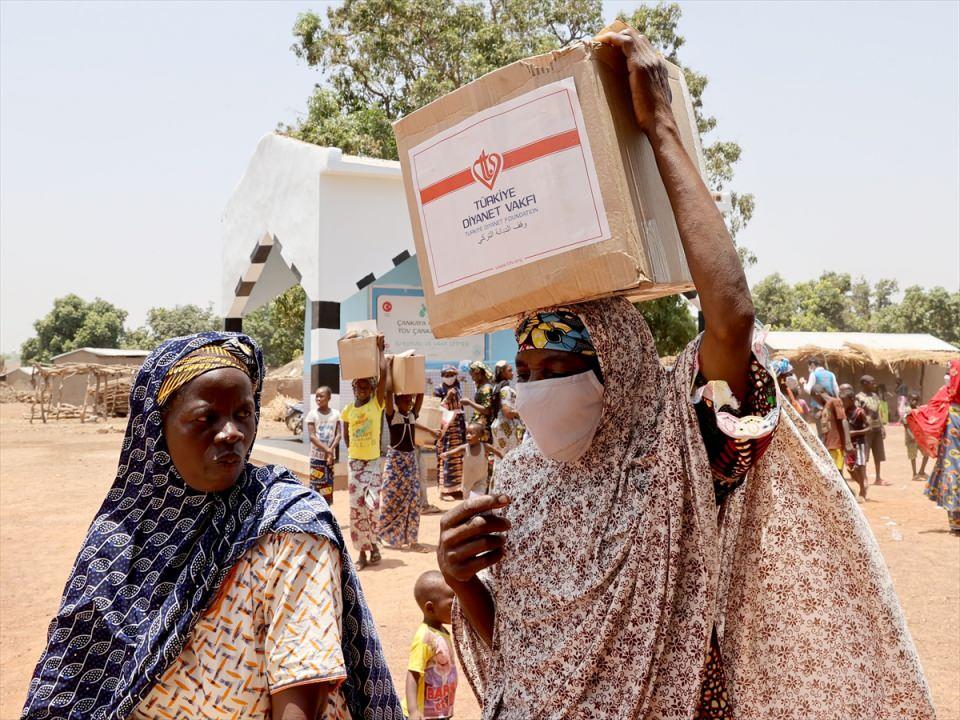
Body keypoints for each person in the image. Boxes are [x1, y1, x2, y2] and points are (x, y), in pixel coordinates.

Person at [436, 29, 933, 720]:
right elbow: (528, 666)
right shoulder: (521, 482)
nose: (536, 385)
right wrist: (463, 583)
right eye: (525, 368)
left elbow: (730, 321)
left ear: (621, 365)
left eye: (558, 364)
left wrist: (659, 126)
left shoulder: (681, 450)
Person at [20, 332, 402, 720]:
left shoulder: (287, 527)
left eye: (244, 414)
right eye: (207, 418)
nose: (232, 433)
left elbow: (302, 694)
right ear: (156, 429)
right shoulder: (119, 539)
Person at [341, 340, 388, 570]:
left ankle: (375, 545)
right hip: (355, 464)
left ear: (371, 390)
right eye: (359, 387)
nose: (362, 391)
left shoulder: (376, 405)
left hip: (372, 463)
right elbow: (346, 437)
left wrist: (380, 350)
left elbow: (385, 374)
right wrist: (354, 453)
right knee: (356, 509)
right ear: (353, 389)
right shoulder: (348, 410)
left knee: (372, 507)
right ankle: (362, 553)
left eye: (366, 387)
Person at [379, 375, 438, 550]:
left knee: (413, 499)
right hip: (396, 460)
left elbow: (419, 395)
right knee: (392, 498)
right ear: (397, 401)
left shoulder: (412, 415)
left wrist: (417, 379)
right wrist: (390, 374)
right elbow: (388, 394)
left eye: (410, 400)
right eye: (404, 399)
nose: (409, 402)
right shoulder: (392, 415)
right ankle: (388, 535)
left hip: (410, 460)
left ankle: (413, 540)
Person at [906, 359, 960, 534]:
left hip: (952, 456)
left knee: (952, 477)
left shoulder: (946, 396)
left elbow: (929, 415)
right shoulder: (945, 395)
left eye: (950, 373)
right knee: (952, 478)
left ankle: (956, 523)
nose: (947, 377)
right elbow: (931, 410)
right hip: (951, 452)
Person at [404, 571, 458, 720]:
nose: (456, 607)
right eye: (451, 603)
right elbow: (413, 673)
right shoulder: (424, 637)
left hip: (439, 709)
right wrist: (414, 711)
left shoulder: (441, 631)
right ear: (430, 608)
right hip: (424, 714)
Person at [439, 422, 503, 498]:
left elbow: (498, 453)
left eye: (471, 433)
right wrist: (446, 454)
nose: (468, 436)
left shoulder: (485, 447)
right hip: (467, 482)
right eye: (467, 433)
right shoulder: (465, 448)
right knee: (467, 502)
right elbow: (454, 451)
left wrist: (505, 460)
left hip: (481, 480)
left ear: (480, 435)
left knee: (476, 499)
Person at [435, 365, 466, 500]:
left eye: (452, 374)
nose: (449, 378)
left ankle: (457, 488)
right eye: (446, 375)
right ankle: (445, 490)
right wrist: (447, 398)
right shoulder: (438, 389)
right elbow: (435, 408)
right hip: (446, 429)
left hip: (458, 428)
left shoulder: (458, 388)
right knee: (446, 455)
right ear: (442, 376)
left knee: (459, 457)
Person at [306, 385, 341, 505]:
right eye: (317, 396)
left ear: (329, 397)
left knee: (328, 488)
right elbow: (312, 437)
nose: (318, 399)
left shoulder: (336, 414)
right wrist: (328, 450)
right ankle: (315, 511)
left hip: (329, 460)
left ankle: (327, 513)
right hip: (317, 458)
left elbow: (339, 435)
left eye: (321, 396)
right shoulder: (312, 414)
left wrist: (330, 451)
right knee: (315, 487)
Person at [857, 375, 889, 485]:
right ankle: (864, 478)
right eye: (872, 383)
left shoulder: (875, 396)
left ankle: (878, 478)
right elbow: (858, 413)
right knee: (864, 455)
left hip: (876, 428)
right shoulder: (859, 398)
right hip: (866, 429)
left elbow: (878, 413)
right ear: (865, 384)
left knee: (878, 454)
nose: (874, 385)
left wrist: (882, 427)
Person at [489, 360, 524, 457]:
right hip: (507, 427)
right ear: (502, 373)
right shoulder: (506, 389)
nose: (512, 373)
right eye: (509, 370)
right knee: (510, 457)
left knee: (501, 457)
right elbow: (507, 413)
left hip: (498, 425)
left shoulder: (496, 387)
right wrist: (523, 413)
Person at [841, 383, 870, 501]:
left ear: (852, 400)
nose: (843, 403)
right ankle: (862, 485)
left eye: (845, 400)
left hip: (860, 443)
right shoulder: (844, 412)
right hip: (849, 445)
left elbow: (869, 428)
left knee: (860, 467)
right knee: (851, 469)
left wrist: (856, 433)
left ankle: (862, 492)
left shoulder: (860, 412)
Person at [812, 384, 848, 473]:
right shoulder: (826, 406)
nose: (816, 401)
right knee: (834, 473)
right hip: (830, 445)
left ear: (817, 394)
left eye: (814, 398)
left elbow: (844, 420)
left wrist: (848, 442)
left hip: (836, 445)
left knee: (837, 473)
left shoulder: (835, 402)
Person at [460, 361, 494, 439]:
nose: (472, 378)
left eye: (473, 375)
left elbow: (486, 410)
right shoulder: (482, 387)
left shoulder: (486, 388)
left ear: (478, 373)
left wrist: (469, 402)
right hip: (479, 426)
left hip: (483, 428)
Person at [903, 391, 930, 481]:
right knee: (913, 456)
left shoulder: (919, 409)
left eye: (916, 400)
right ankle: (914, 474)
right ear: (909, 400)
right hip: (911, 437)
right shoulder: (907, 410)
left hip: (920, 436)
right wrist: (911, 435)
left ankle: (922, 471)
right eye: (912, 400)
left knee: (926, 453)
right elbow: (905, 425)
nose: (914, 402)